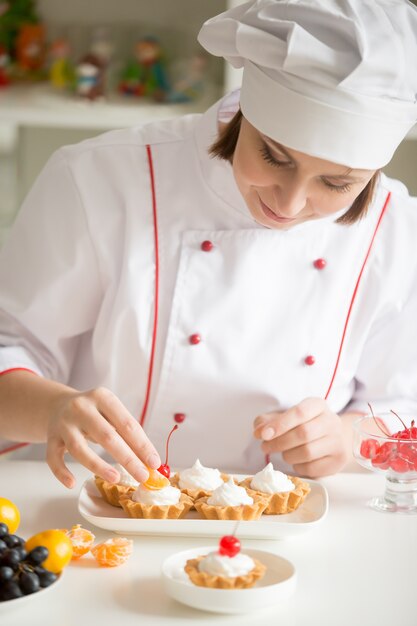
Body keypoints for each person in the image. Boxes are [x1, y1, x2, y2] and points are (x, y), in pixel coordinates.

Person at [0, 0, 416, 489]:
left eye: (337, 184)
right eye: (273, 157)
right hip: (99, 506)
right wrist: (53, 409)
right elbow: (13, 344)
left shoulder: (395, 224)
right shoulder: (100, 178)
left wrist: (345, 440)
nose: (291, 202)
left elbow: (404, 414)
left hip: (295, 526)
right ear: (245, 115)